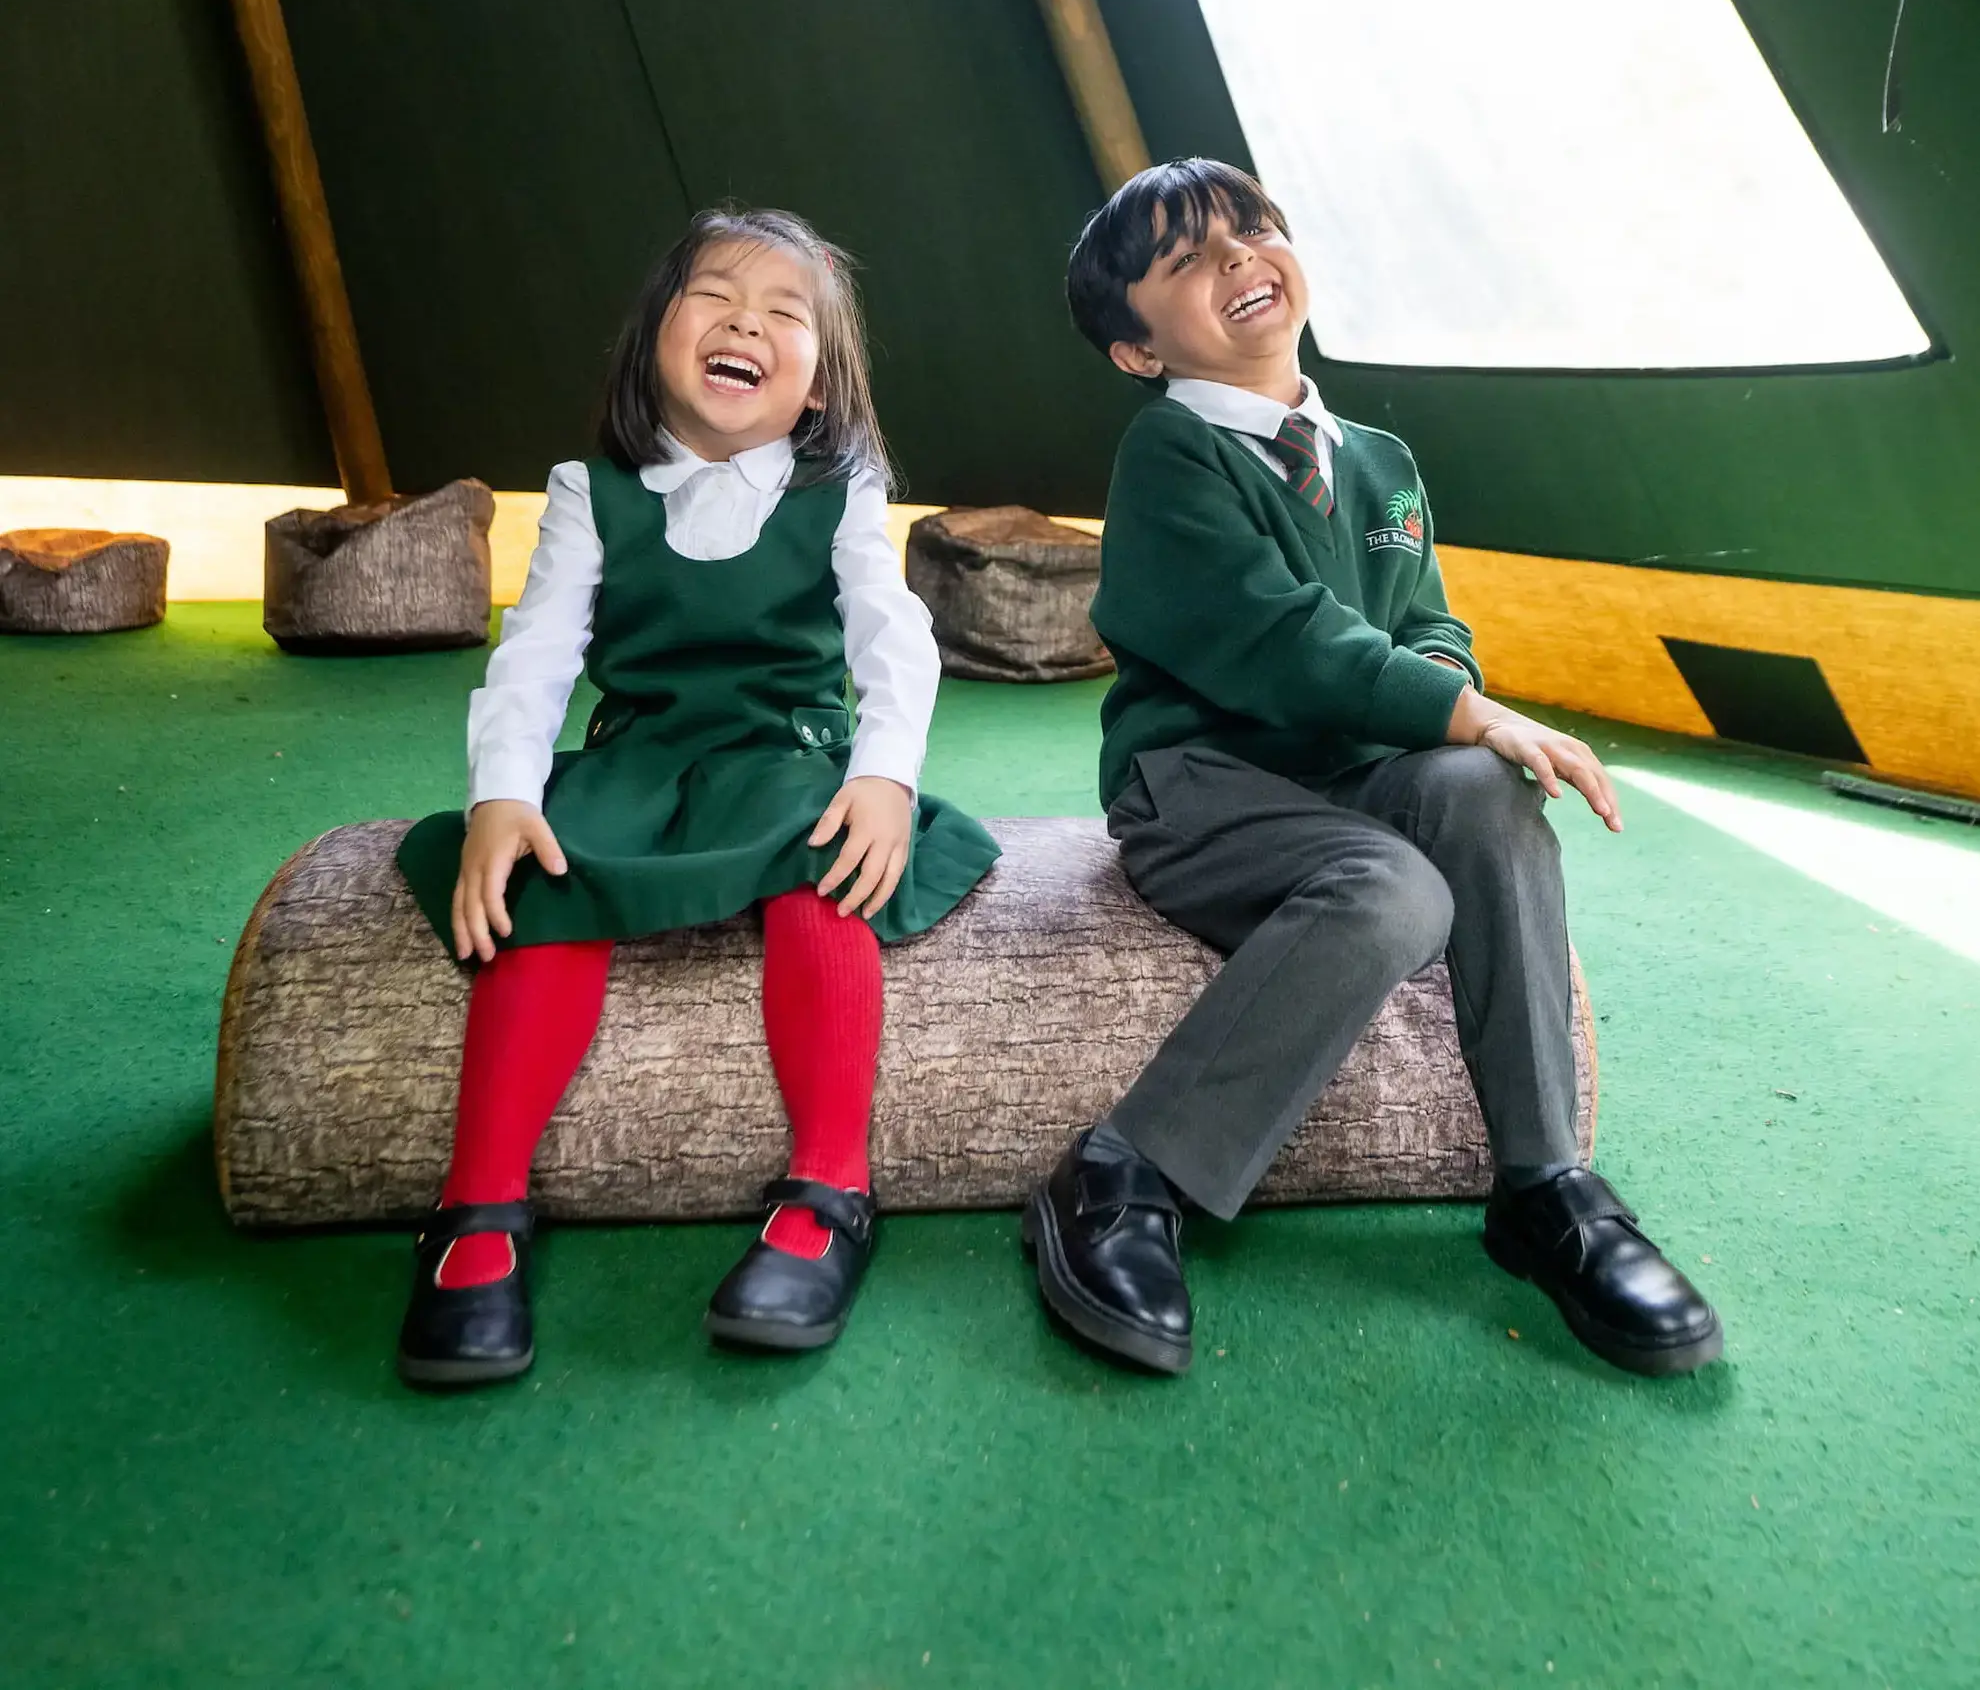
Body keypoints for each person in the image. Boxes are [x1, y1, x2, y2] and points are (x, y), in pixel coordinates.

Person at [1027, 158, 1720, 1379]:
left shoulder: (1383, 461)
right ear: (1140, 351)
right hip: (1204, 788)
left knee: (1483, 793)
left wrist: (1463, 708)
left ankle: (1545, 1183)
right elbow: (1278, 636)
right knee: (1396, 887)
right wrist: (1462, 706)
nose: (1239, 259)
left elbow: (1429, 629)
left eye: (1252, 232)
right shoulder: (1174, 454)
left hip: (1354, 774)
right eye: (1188, 260)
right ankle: (1126, 1169)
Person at [392, 206, 999, 1386]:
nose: (747, 324)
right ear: (654, 337)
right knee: (550, 877)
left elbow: (895, 639)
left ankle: (829, 1190)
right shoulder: (590, 489)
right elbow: (536, 652)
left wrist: (882, 778)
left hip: (789, 749)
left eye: (785, 316)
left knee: (828, 869)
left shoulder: (843, 487)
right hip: (642, 755)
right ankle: (478, 1208)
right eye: (717, 298)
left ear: (818, 388)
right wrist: (501, 798)